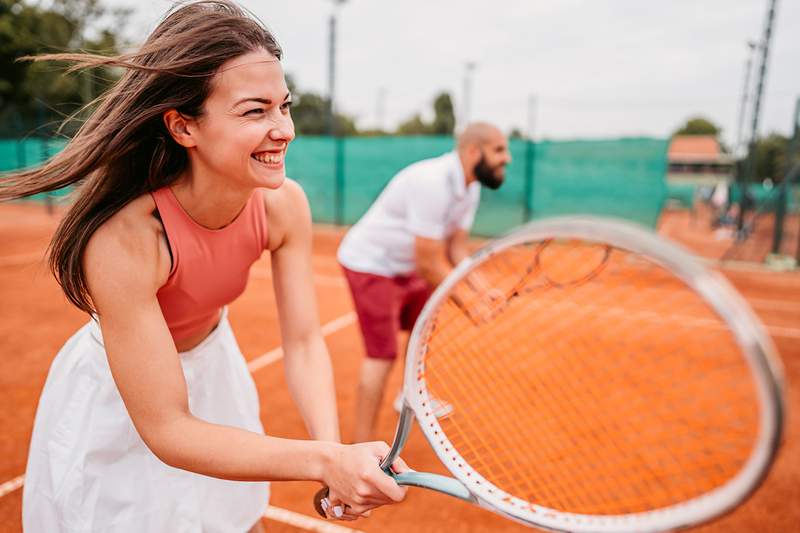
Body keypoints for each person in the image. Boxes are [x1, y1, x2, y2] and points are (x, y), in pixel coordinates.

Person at [0, 2, 408, 531]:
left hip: (216, 367)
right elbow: (167, 428)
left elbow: (304, 342)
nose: (282, 128)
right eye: (254, 111)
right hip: (122, 395)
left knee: (234, 520)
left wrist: (328, 449)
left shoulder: (284, 205)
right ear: (183, 127)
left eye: (284, 106)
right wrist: (323, 461)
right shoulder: (126, 240)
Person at [337, 123, 512, 443]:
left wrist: (484, 289)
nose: (508, 158)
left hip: (408, 266)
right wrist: (469, 303)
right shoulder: (432, 183)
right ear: (474, 152)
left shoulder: (470, 188)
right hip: (371, 264)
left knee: (423, 330)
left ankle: (410, 395)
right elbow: (429, 262)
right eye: (499, 149)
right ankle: (361, 449)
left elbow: (455, 248)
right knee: (382, 355)